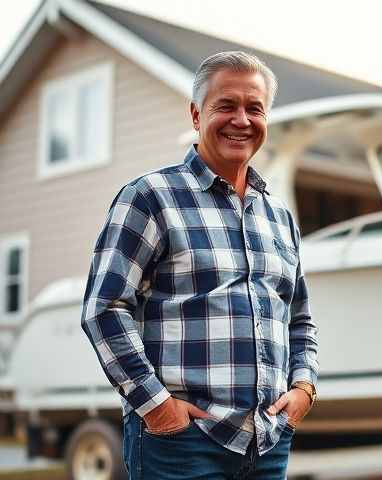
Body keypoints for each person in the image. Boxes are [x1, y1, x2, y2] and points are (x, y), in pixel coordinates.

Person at [81, 51, 318, 479]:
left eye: (254, 108)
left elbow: (299, 318)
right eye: (225, 106)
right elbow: (105, 308)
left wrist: (304, 388)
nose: (241, 120)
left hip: (267, 441)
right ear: (196, 114)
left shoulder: (279, 216)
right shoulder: (150, 197)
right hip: (180, 443)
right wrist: (156, 406)